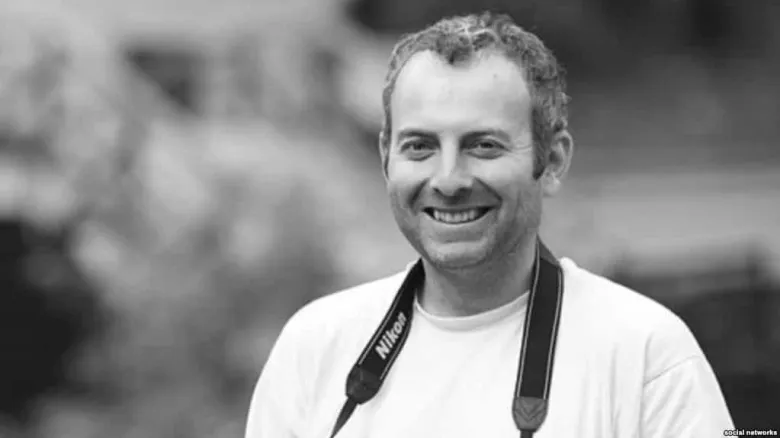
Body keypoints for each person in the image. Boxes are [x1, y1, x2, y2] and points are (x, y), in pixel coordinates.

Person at [244, 11, 734, 438]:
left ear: (553, 161)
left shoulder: (645, 356)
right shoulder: (315, 348)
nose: (448, 179)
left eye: (484, 146)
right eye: (420, 146)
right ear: (385, 158)